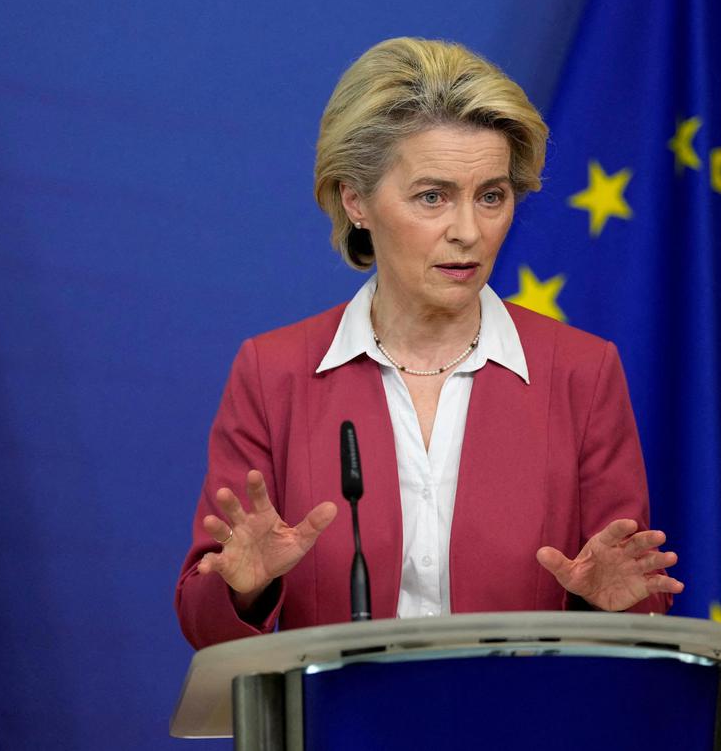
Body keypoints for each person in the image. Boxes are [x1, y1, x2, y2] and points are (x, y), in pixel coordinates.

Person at [176, 37, 683, 649]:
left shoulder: (580, 372)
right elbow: (206, 629)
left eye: (491, 196)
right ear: (356, 199)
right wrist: (244, 589)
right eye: (432, 196)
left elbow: (636, 600)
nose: (468, 231)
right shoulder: (274, 372)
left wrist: (606, 606)